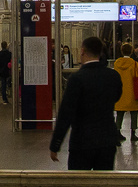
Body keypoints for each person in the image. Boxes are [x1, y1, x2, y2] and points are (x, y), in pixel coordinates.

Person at [48, 35, 122, 169]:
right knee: (107, 184)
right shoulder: (113, 76)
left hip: (82, 141)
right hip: (107, 140)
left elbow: (66, 114)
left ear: (82, 51)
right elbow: (117, 97)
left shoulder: (77, 79)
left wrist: (56, 144)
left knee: (78, 185)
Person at [112, 41, 138, 144]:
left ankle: (117, 132)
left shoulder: (117, 63)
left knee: (120, 113)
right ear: (131, 52)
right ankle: (133, 134)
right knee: (134, 113)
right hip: (132, 91)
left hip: (120, 92)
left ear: (121, 51)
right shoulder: (134, 63)